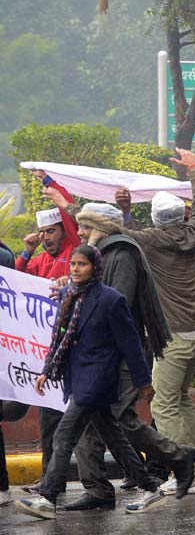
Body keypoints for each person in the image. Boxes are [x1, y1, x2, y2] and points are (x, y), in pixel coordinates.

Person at [47, 201, 195, 508]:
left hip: (115, 357)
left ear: (102, 227)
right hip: (92, 360)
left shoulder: (123, 253)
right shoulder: (97, 256)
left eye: (87, 226)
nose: (82, 232)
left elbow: (119, 306)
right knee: (97, 422)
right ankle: (99, 489)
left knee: (120, 419)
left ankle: (179, 457)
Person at [15, 246, 166, 520]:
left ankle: (47, 497)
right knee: (114, 438)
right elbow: (59, 338)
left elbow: (130, 343)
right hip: (77, 376)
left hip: (98, 379)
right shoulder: (68, 295)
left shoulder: (111, 299)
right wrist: (47, 371)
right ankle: (151, 486)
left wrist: (143, 382)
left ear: (94, 267)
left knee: (64, 434)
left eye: (82, 264)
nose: (75, 269)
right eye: (73, 264)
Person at [115, 148, 195, 487]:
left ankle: (188, 465)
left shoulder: (150, 241)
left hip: (174, 336)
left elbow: (118, 233)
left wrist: (123, 212)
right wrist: (194, 168)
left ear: (156, 220)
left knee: (162, 406)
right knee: (180, 398)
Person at [15, 170, 81, 479]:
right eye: (42, 234)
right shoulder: (38, 261)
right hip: (48, 357)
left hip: (76, 353)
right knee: (49, 421)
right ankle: (49, 481)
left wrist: (48, 184)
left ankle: (132, 477)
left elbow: (69, 210)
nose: (46, 238)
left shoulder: (75, 253)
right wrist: (27, 251)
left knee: (94, 423)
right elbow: (16, 285)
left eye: (51, 232)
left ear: (64, 232)